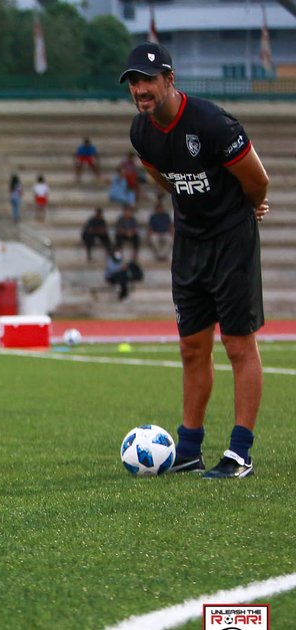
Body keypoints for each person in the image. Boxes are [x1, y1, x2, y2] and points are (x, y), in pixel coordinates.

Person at [122, 42, 270, 478]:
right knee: (191, 348)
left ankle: (240, 453)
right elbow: (162, 176)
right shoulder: (141, 131)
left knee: (238, 344)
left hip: (231, 242)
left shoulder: (211, 122)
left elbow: (257, 180)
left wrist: (250, 208)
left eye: (148, 79)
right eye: (134, 82)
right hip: (189, 244)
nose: (141, 89)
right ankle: (188, 449)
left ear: (170, 80)